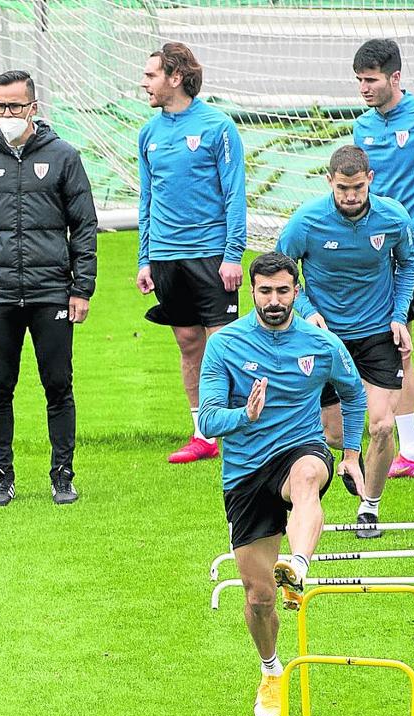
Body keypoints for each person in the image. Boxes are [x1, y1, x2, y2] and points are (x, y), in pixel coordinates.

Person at [198, 252, 365, 716]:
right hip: (245, 472)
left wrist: (350, 454)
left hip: (300, 449)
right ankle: (271, 670)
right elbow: (208, 419)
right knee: (258, 598)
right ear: (252, 292)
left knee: (308, 477)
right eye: (265, 291)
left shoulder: (320, 342)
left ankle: (298, 564)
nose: (274, 300)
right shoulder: (225, 344)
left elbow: (352, 393)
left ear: (297, 291)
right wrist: (243, 415)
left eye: (283, 291)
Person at [0, 69, 98, 506]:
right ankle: (1, 477)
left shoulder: (64, 156)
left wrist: (82, 288)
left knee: (58, 385)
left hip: (52, 291)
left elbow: (84, 226)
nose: (6, 114)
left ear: (34, 107)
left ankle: (63, 475)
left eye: (14, 106)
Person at [276, 145, 414, 538]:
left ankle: (369, 507)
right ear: (329, 183)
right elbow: (280, 274)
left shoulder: (393, 217)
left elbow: (408, 263)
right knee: (337, 435)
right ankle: (348, 460)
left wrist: (398, 315)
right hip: (325, 338)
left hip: (376, 334)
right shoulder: (305, 222)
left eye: (357, 188)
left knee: (382, 426)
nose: (350, 196)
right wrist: (306, 311)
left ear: (370, 180)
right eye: (342, 189)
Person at [137, 42, 247, 464]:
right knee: (187, 343)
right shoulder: (148, 133)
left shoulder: (218, 127)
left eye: (151, 75)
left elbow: (235, 194)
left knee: (224, 346)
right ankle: (203, 435)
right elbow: (147, 199)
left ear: (175, 77)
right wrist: (144, 259)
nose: (144, 82)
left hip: (211, 255)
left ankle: (237, 429)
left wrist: (233, 254)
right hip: (166, 257)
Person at [352, 38, 414, 483]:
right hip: (386, 257)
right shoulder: (362, 129)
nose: (364, 89)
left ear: (394, 77)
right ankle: (410, 452)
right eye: (359, 81)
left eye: (370, 80)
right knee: (399, 351)